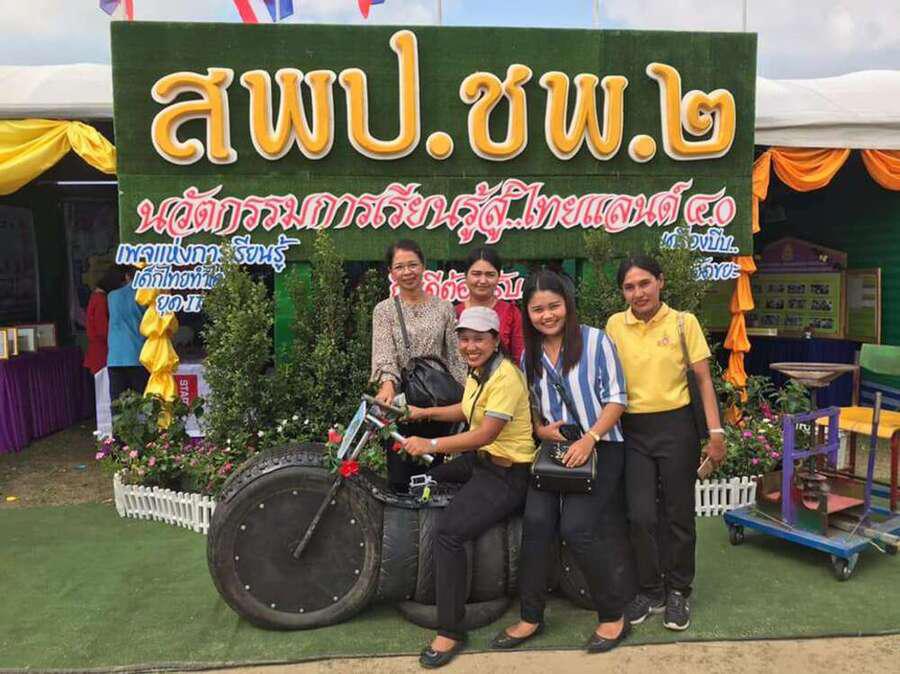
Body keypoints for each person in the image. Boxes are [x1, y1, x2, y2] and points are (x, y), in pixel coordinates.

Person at [493, 269, 631, 654]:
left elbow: (618, 398)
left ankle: (613, 615)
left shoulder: (596, 341)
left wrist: (590, 438)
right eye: (537, 310)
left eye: (554, 306)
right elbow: (533, 410)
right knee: (536, 524)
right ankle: (530, 617)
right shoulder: (529, 354)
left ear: (567, 304)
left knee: (577, 528)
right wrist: (541, 430)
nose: (547, 316)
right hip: (556, 452)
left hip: (601, 447)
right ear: (528, 313)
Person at [402, 306, 535, 668]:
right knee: (427, 479)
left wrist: (430, 444)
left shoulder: (506, 377)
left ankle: (450, 630)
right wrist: (423, 413)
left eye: (478, 339)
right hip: (482, 461)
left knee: (448, 534)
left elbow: (485, 433)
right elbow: (467, 410)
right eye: (464, 339)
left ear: (495, 340)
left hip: (508, 473)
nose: (470, 346)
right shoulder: (478, 372)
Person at [605, 254, 724, 632]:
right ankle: (650, 590)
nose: (638, 293)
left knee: (678, 514)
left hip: (676, 428)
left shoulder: (683, 323)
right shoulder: (614, 325)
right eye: (629, 287)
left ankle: (678, 591)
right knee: (640, 515)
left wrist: (716, 433)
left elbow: (703, 380)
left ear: (660, 281)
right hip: (632, 430)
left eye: (645, 283)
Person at [371, 240, 466, 491]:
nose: (407, 272)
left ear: (423, 266)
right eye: (399, 267)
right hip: (403, 402)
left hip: (439, 399)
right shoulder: (384, 311)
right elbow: (384, 353)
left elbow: (456, 356)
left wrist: (468, 397)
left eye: (412, 265)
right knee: (401, 473)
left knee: (436, 473)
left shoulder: (444, 307)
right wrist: (387, 385)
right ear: (391, 272)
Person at [455, 247, 524, 363]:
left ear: (499, 277)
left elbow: (519, 358)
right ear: (465, 276)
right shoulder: (452, 313)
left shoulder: (511, 313)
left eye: (490, 275)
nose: (483, 281)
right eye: (476, 274)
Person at [106, 267, 148, 402]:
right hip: (138, 355)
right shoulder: (146, 297)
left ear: (127, 277)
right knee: (142, 403)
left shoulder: (111, 296)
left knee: (118, 403)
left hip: (115, 357)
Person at [83, 267, 122, 375]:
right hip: (102, 352)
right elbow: (103, 329)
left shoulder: (95, 297)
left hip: (97, 351)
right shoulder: (101, 300)